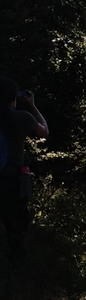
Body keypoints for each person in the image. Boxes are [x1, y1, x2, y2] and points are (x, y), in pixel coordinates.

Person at [0, 77, 48, 269]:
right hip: (10, 181)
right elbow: (44, 131)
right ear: (13, 98)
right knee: (16, 229)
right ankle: (16, 270)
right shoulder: (20, 118)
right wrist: (32, 106)